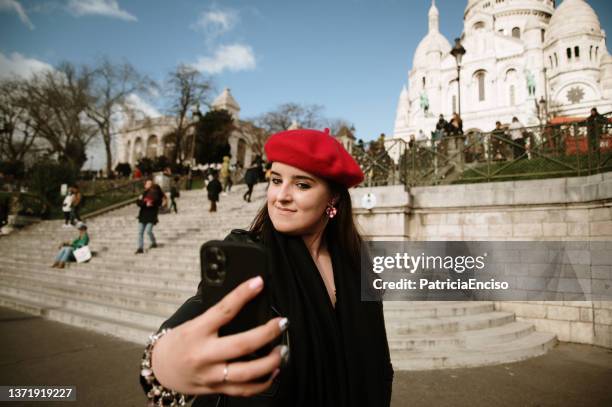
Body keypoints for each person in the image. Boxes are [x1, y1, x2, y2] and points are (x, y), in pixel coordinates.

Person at [140, 128, 394, 407]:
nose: (280, 196)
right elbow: (201, 309)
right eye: (275, 180)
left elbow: (377, 359)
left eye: (302, 185)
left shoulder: (359, 266)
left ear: (332, 198)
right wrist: (167, 361)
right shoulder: (246, 255)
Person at [135, 179, 166, 254]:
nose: (149, 185)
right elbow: (138, 203)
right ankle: (140, 248)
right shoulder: (143, 194)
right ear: (145, 185)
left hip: (151, 215)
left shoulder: (156, 192)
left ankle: (153, 242)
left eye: (150, 183)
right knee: (140, 232)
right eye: (148, 183)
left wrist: (153, 203)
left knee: (148, 231)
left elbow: (159, 202)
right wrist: (145, 203)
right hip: (143, 215)